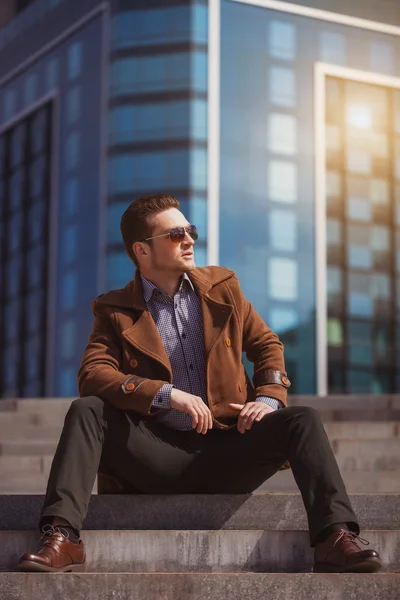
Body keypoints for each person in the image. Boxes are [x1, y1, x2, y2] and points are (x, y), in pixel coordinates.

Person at [17, 194, 382, 574]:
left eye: (190, 230)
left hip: (227, 448)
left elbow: (267, 344)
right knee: (87, 410)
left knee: (302, 419)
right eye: (176, 234)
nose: (189, 239)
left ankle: (333, 539)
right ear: (142, 250)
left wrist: (269, 399)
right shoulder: (114, 310)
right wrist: (166, 394)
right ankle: (63, 538)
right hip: (155, 456)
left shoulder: (223, 287)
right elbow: (93, 374)